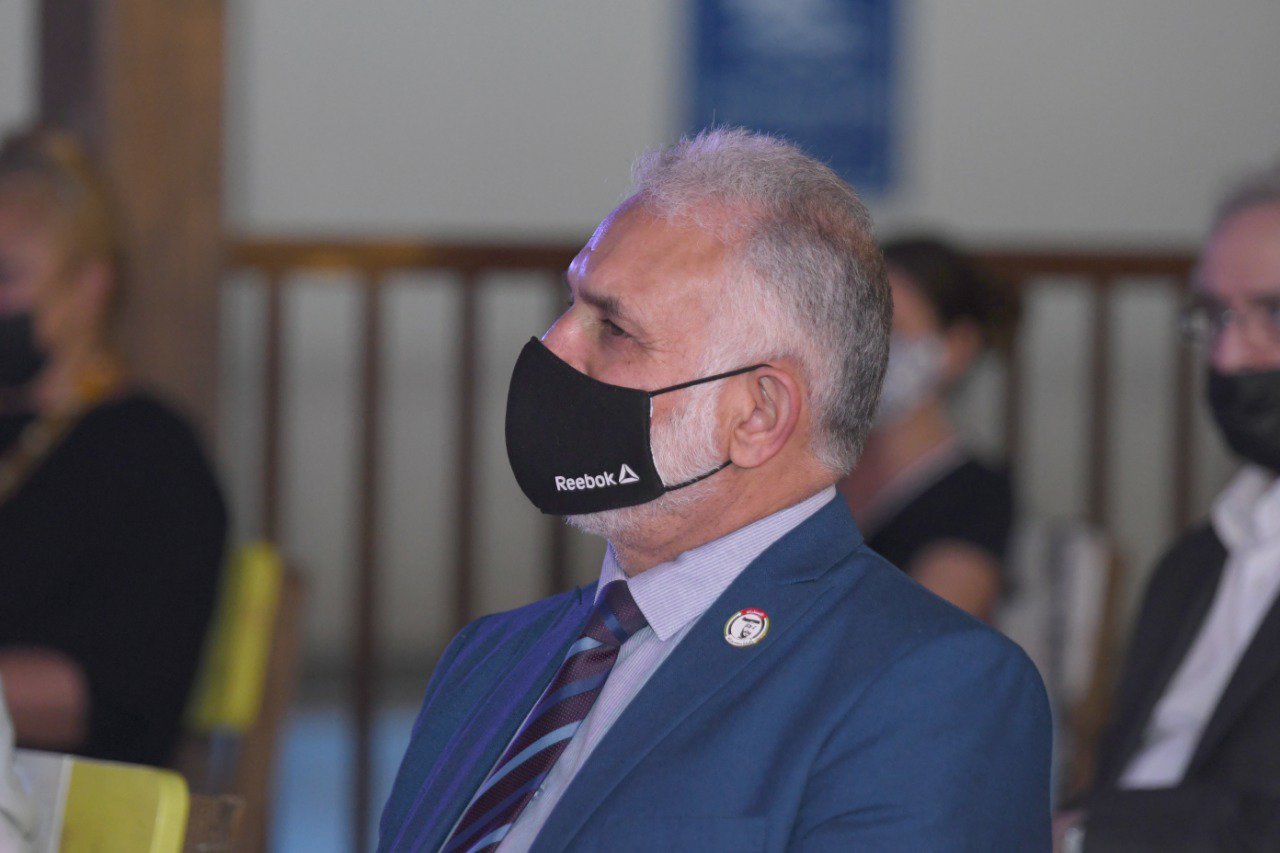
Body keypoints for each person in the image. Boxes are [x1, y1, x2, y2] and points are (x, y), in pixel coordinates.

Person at [380, 129, 1051, 851]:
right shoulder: (488, 659)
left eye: (614, 328)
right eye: (569, 304)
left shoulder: (928, 688)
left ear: (758, 415)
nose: (554, 347)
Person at [1055, 159, 1280, 851]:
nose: (1229, 356)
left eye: (1274, 315)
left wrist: (1090, 835)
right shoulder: (1198, 558)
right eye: (1214, 317)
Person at [0, 128, 228, 766]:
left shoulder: (153, 459)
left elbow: (109, 695)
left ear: (91, 284)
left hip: (66, 802)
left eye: (7, 276)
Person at [838, 237, 1017, 621]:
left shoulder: (976, 496)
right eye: (857, 325)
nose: (867, 348)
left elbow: (927, 630)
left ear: (958, 348)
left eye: (894, 330)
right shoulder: (815, 469)